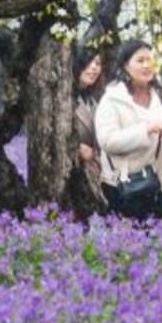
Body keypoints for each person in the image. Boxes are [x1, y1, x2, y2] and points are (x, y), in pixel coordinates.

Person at [95, 40, 162, 221]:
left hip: (155, 184)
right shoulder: (112, 99)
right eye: (140, 60)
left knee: (155, 241)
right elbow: (107, 141)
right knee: (124, 244)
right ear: (125, 66)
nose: (147, 65)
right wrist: (145, 130)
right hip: (123, 186)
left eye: (150, 60)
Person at [71, 45, 106, 215]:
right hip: (73, 179)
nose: (94, 68)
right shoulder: (63, 99)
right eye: (88, 62)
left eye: (98, 63)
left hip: (96, 174)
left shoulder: (94, 101)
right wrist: (76, 148)